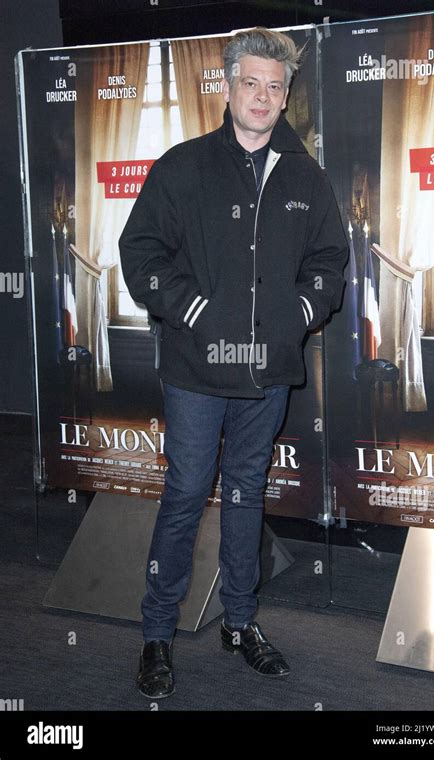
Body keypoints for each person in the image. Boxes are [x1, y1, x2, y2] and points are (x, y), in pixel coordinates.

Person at [119, 26, 348, 699]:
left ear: (285, 96)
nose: (263, 95)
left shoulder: (306, 175)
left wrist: (301, 314)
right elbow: (141, 254)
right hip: (195, 370)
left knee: (248, 493)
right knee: (187, 494)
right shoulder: (182, 166)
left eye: (275, 86)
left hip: (268, 373)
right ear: (227, 87)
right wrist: (193, 311)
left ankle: (241, 622)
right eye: (251, 82)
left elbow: (329, 264)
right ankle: (157, 634)